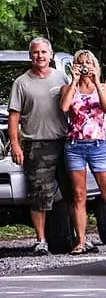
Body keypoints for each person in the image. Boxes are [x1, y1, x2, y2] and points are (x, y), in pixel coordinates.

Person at [7, 37, 70, 256]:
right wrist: (15, 145)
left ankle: (77, 240)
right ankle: (40, 240)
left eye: (44, 52)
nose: (40, 56)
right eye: (36, 52)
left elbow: (77, 104)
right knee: (38, 194)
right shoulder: (21, 83)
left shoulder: (62, 77)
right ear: (30, 56)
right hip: (36, 144)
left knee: (71, 192)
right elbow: (14, 117)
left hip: (64, 141)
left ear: (51, 55)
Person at [59, 49, 106, 255]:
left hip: (97, 144)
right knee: (79, 195)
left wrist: (96, 80)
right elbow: (64, 107)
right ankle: (81, 241)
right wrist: (74, 81)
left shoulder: (104, 87)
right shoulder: (67, 87)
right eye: (80, 62)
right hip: (75, 145)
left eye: (88, 62)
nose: (84, 66)